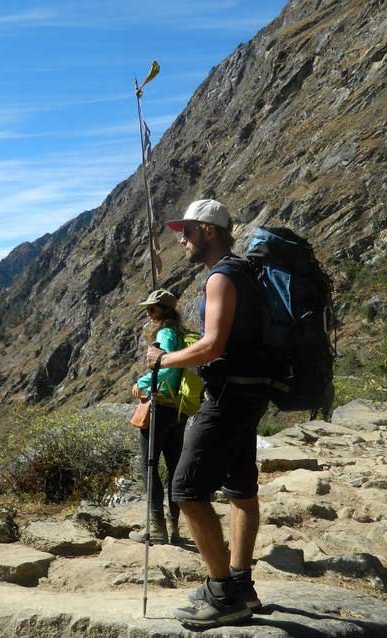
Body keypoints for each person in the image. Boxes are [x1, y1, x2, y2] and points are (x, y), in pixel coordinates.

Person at [146, 199, 269, 629]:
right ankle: (241, 584)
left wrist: (164, 359)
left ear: (209, 232)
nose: (181, 240)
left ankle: (222, 594)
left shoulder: (221, 277)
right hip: (252, 393)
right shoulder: (244, 273)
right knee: (240, 489)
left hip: (228, 397)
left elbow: (214, 346)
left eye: (188, 232)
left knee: (185, 489)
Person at [129, 289, 187, 545]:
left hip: (159, 406)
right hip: (178, 408)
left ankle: (156, 529)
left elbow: (163, 369)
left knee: (149, 466)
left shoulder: (164, 334)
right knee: (175, 466)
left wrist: (140, 383)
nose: (148, 313)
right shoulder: (181, 334)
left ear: (164, 310)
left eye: (152, 309)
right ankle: (174, 527)